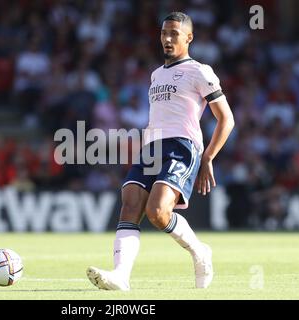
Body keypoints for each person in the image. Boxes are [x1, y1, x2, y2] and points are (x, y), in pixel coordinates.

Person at [86, 12, 234, 290]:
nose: (167, 38)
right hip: (151, 148)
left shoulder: (200, 71)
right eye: (164, 33)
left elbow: (227, 119)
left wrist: (208, 157)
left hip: (182, 147)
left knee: (157, 212)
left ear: (189, 38)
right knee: (129, 203)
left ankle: (199, 251)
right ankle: (121, 276)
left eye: (174, 34)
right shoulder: (156, 74)